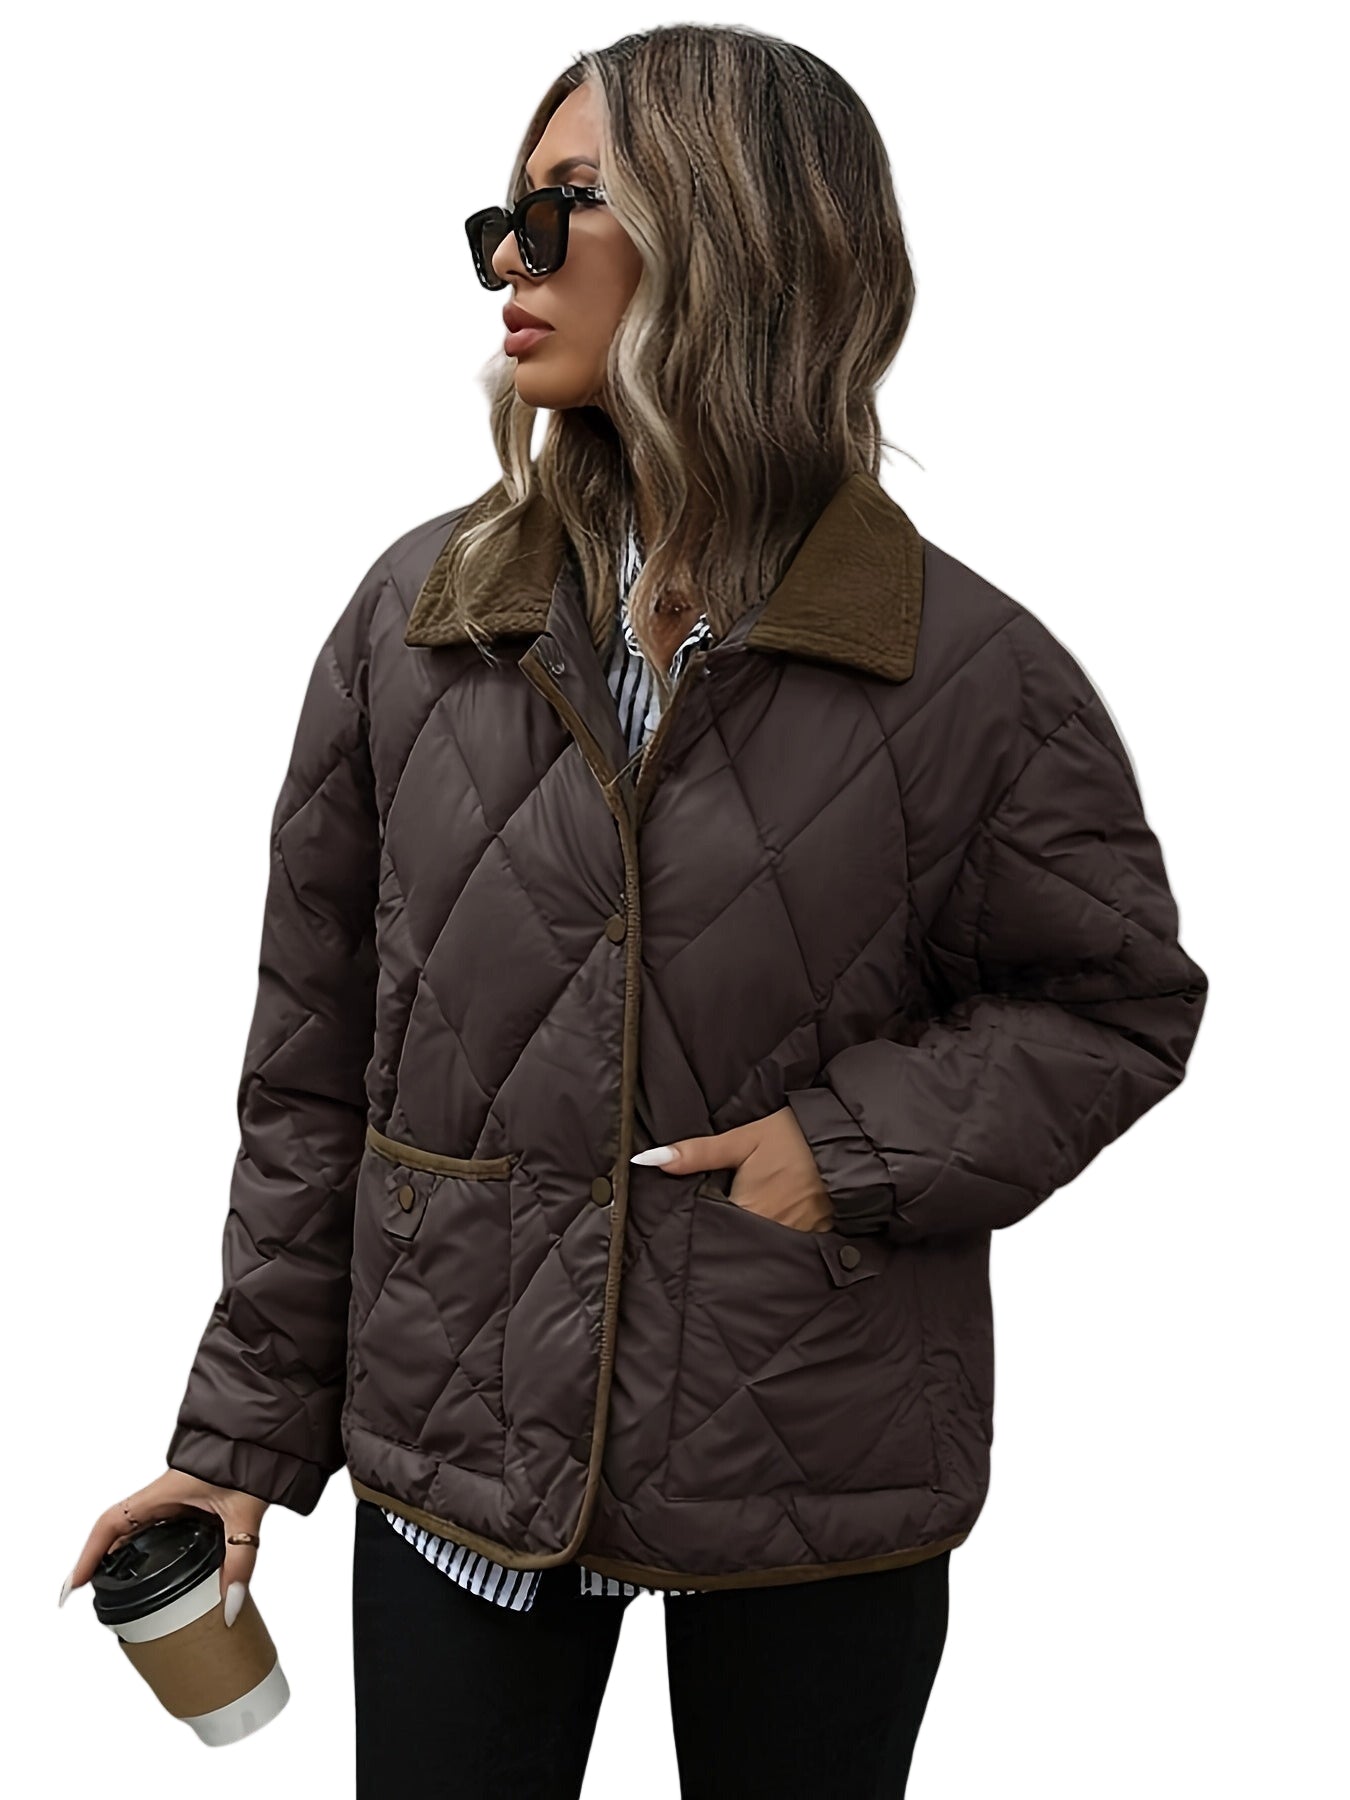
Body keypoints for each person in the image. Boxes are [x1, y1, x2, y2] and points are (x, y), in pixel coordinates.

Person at [60, 24, 1209, 1797]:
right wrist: (236, 1440)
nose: (504, 261)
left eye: (566, 207)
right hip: (459, 1443)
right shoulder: (419, 623)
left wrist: (845, 1149)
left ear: (740, 239)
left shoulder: (968, 672)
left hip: (807, 1446)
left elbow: (1113, 1001)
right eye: (501, 217)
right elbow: (312, 1070)